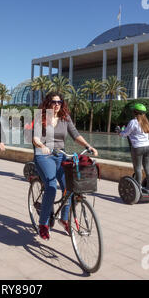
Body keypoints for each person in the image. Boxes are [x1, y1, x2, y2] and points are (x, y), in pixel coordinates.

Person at [32, 92, 98, 241]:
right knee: (51, 187)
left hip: (60, 154)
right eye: (54, 102)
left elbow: (75, 135)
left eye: (59, 102)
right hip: (43, 155)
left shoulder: (65, 117)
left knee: (70, 186)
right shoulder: (40, 117)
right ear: (48, 103)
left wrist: (88, 146)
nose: (57, 104)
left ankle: (64, 218)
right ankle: (43, 224)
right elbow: (35, 138)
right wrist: (42, 145)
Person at [119, 103, 149, 194]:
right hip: (147, 147)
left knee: (137, 168)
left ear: (135, 112)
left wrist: (120, 132)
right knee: (147, 167)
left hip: (137, 148)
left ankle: (138, 188)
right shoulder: (146, 122)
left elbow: (125, 133)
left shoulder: (133, 122)